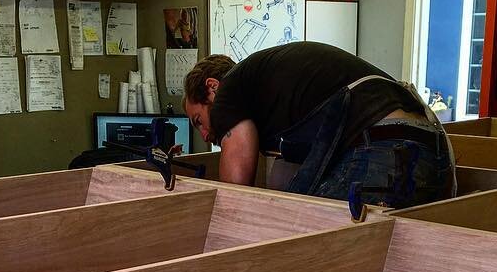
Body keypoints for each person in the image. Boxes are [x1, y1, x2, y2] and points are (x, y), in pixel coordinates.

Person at [182, 42, 455, 210]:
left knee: (307, 237)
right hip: (434, 150)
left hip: (386, 146)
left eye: (199, 121)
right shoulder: (269, 93)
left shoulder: (231, 87)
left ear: (212, 88)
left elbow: (234, 193)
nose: (205, 134)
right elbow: (290, 181)